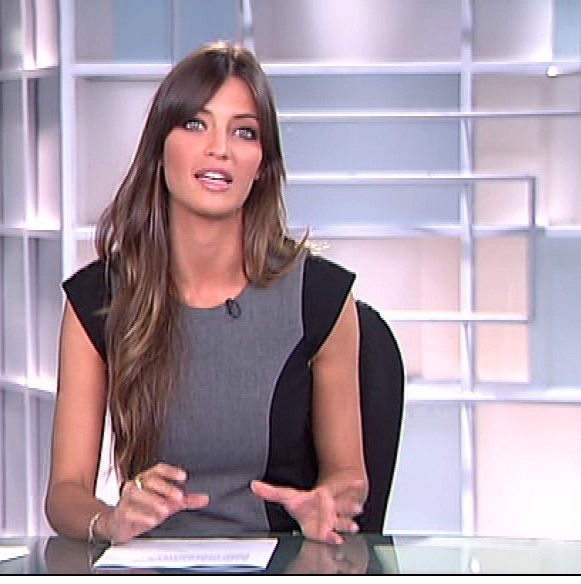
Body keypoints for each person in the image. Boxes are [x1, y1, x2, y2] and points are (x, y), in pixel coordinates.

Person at [44, 41, 367, 546]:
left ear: (262, 163)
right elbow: (65, 493)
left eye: (244, 131)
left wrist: (328, 502)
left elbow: (349, 475)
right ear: (160, 149)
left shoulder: (320, 298)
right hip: (150, 573)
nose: (220, 148)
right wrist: (108, 521)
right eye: (196, 124)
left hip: (282, 570)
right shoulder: (98, 301)